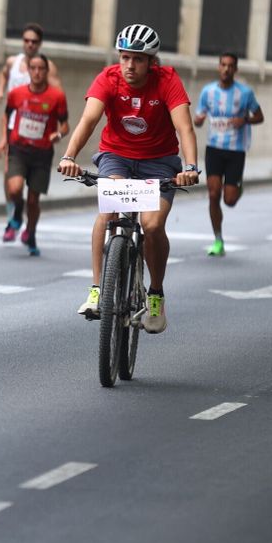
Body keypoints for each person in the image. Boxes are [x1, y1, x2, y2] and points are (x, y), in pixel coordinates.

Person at [57, 24, 200, 333]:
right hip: (116, 157)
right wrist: (69, 157)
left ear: (151, 62)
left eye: (137, 59)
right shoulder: (108, 79)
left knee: (151, 224)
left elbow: (185, 128)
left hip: (159, 163)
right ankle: (97, 290)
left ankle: (155, 295)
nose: (129, 66)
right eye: (124, 57)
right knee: (107, 213)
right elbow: (89, 120)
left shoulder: (167, 81)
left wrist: (190, 167)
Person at [0, 52, 68, 255]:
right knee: (14, 189)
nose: (36, 72)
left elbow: (66, 125)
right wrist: (4, 140)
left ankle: (31, 233)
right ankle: (17, 213)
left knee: (34, 200)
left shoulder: (57, 97)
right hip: (19, 149)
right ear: (28, 70)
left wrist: (58, 135)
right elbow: (6, 116)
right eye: (33, 68)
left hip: (42, 153)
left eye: (40, 69)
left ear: (46, 71)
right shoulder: (17, 93)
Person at [192, 51, 264, 257]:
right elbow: (199, 116)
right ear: (218, 67)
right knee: (213, 195)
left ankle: (237, 188)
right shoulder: (208, 91)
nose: (226, 69)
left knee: (229, 200)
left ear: (235, 69)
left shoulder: (245, 93)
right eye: (223, 65)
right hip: (214, 148)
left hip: (236, 150)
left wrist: (245, 120)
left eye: (230, 66)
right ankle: (218, 239)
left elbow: (260, 116)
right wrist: (199, 120)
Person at [0, 22, 63, 101]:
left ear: (40, 43)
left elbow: (59, 95)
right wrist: (0, 91)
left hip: (34, 111)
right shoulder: (12, 62)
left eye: (34, 41)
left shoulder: (47, 66)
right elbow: (3, 74)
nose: (30, 44)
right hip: (12, 112)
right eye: (26, 41)